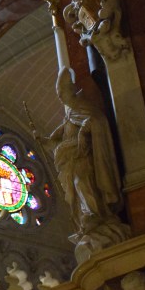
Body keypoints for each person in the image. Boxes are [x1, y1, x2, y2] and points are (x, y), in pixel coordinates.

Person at [43, 68, 122, 240]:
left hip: (84, 157)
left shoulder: (83, 108)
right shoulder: (70, 114)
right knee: (76, 190)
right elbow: (58, 137)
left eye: (62, 93)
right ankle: (87, 216)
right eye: (59, 95)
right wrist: (45, 141)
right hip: (72, 160)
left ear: (71, 90)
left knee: (82, 184)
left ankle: (95, 214)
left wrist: (86, 128)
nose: (60, 97)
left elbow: (97, 120)